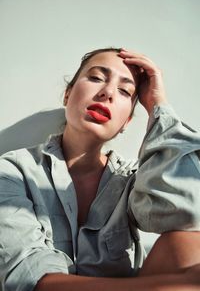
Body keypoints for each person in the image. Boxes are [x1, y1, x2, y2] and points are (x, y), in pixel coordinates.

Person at [0, 47, 200, 291]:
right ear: (67, 95)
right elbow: (29, 280)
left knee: (188, 241)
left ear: (126, 122)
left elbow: (187, 213)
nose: (107, 93)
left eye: (125, 91)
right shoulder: (13, 170)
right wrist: (169, 285)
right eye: (96, 78)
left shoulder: (134, 181)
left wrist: (158, 105)